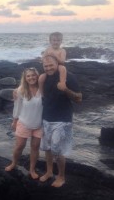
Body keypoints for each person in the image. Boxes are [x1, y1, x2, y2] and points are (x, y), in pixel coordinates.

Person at [39, 54, 82, 187]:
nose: (48, 68)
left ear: (57, 63)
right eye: (45, 66)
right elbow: (32, 87)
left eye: (51, 65)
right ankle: (49, 172)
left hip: (62, 119)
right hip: (46, 118)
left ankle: (61, 177)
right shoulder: (44, 78)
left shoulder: (69, 76)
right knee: (47, 148)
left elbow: (79, 98)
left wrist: (66, 90)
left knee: (57, 150)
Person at [5, 67, 43, 179]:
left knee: (35, 147)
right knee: (19, 146)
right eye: (28, 76)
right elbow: (17, 107)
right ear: (25, 78)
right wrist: (14, 121)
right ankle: (14, 163)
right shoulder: (21, 90)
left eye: (33, 75)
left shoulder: (43, 89)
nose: (31, 78)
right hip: (24, 122)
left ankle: (32, 170)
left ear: (37, 76)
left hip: (39, 124)